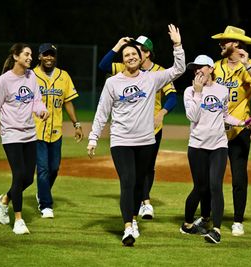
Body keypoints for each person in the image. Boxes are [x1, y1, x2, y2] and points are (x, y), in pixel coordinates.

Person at [87, 24, 185, 246]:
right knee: (127, 183)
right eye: (126, 55)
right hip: (121, 140)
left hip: (146, 141)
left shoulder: (151, 78)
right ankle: (128, 228)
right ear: (122, 60)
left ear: (142, 57)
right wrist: (93, 137)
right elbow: (102, 111)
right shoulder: (112, 82)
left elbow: (178, 70)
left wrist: (177, 45)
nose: (131, 57)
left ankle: (132, 217)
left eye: (134, 54)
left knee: (139, 183)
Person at [98, 35, 178, 220]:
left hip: (153, 128)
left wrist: (162, 113)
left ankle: (145, 202)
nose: (134, 52)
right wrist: (119, 44)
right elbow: (103, 66)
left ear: (147, 53)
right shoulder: (125, 67)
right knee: (130, 174)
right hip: (128, 130)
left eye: (139, 49)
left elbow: (173, 96)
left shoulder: (158, 72)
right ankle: (140, 204)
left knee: (147, 167)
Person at [0, 43, 49, 234]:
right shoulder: (3, 81)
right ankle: (18, 220)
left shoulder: (31, 76)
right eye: (26, 54)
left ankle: (3, 201)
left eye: (31, 55)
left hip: (29, 134)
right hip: (11, 134)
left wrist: (42, 110)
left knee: (28, 179)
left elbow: (36, 100)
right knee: (18, 176)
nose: (30, 57)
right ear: (16, 56)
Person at [180, 55, 251, 244]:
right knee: (200, 187)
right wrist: (197, 93)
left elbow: (225, 115)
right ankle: (187, 224)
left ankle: (216, 230)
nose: (197, 70)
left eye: (201, 67)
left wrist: (242, 123)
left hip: (219, 145)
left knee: (215, 185)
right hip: (197, 146)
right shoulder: (189, 91)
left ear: (211, 69)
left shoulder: (222, 90)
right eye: (194, 68)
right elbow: (192, 116)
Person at [211, 25, 251, 236]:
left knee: (238, 178)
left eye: (224, 41)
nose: (221, 44)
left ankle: (237, 220)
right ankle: (208, 216)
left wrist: (247, 66)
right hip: (216, 130)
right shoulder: (216, 67)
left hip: (240, 131)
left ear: (235, 43)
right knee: (212, 178)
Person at [33, 43, 84, 219]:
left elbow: (67, 102)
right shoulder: (31, 76)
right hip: (36, 131)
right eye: (45, 55)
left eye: (52, 55)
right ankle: (46, 205)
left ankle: (42, 191)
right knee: (43, 169)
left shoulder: (64, 76)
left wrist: (76, 124)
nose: (49, 58)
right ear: (39, 56)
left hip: (56, 131)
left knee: (54, 168)